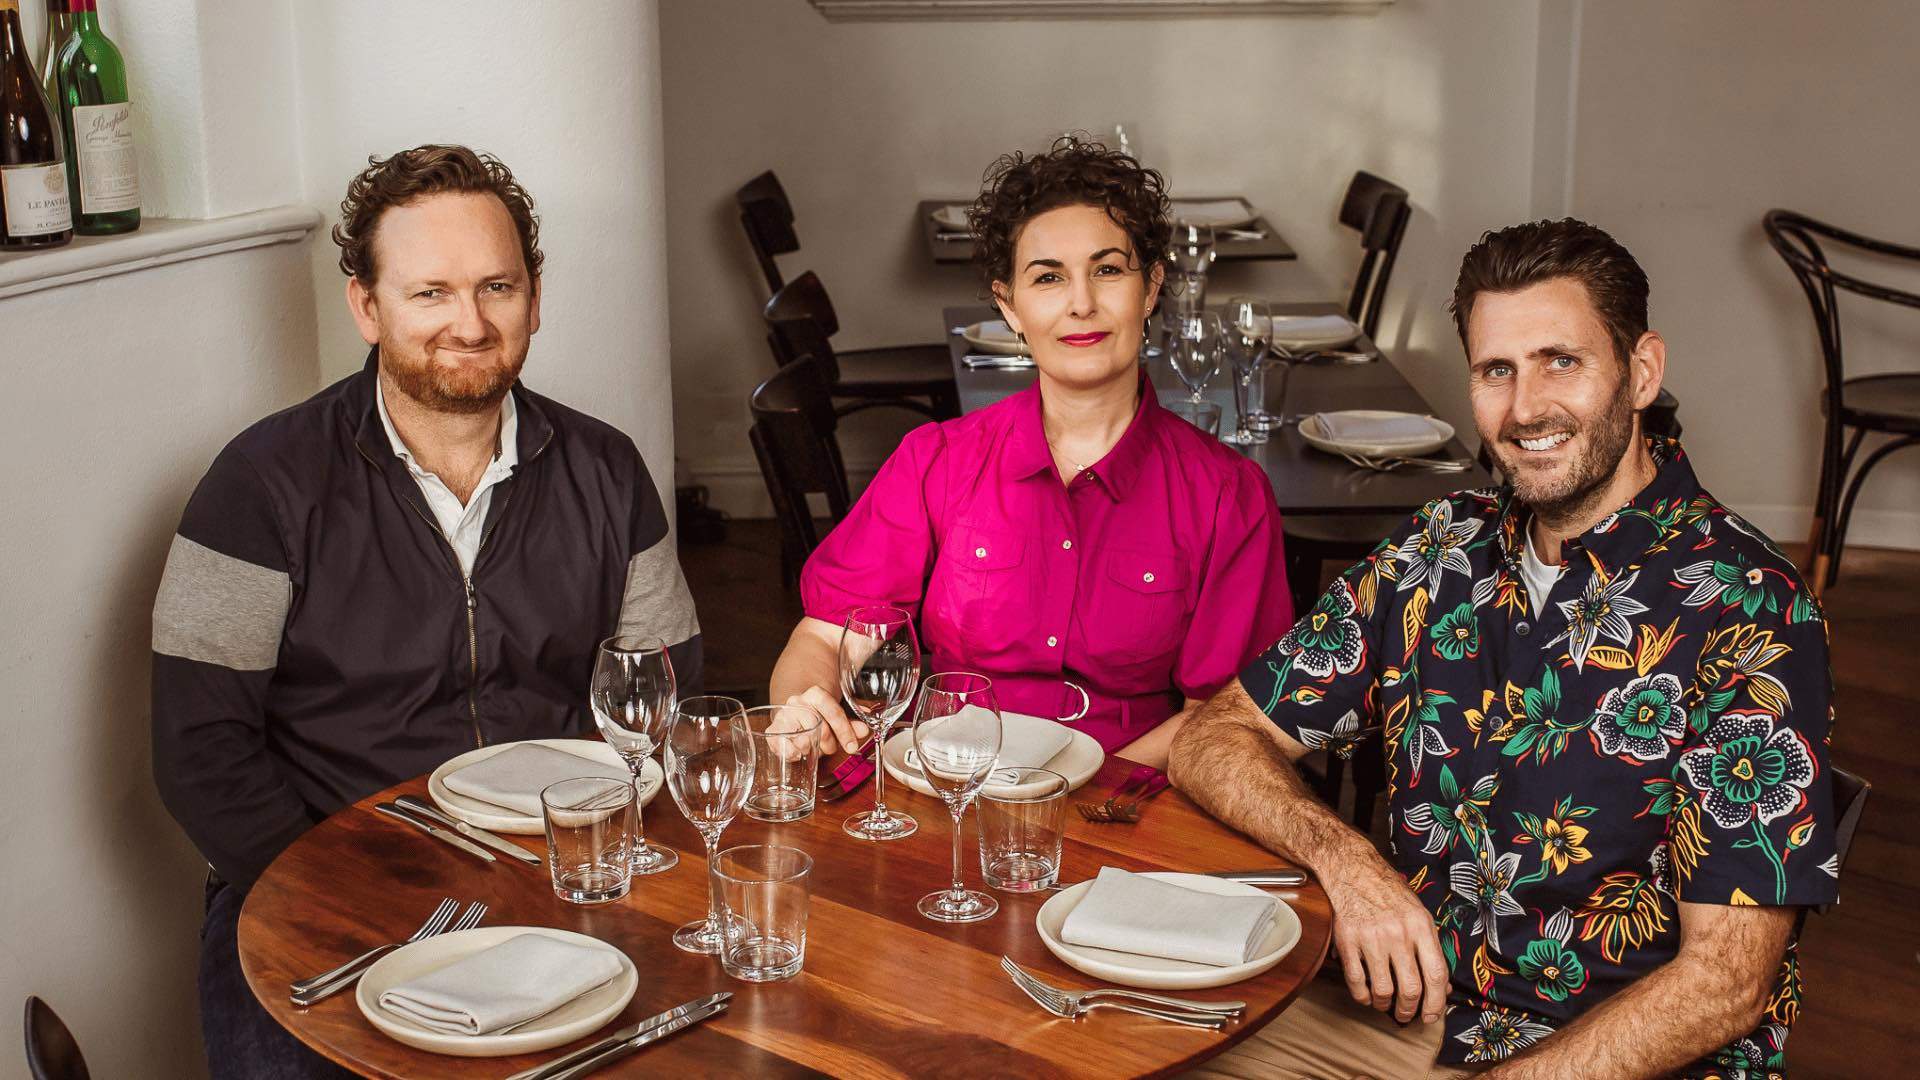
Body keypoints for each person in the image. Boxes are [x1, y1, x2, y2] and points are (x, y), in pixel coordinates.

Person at [1172, 219, 1836, 1079]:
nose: (1525, 409)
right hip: (1405, 1020)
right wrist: (1351, 864)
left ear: (1640, 373)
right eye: (1496, 371)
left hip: (1615, 1059)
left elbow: (1725, 985)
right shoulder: (1438, 550)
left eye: (1562, 360)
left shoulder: (1750, 610)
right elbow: (1214, 737)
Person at [150, 145, 700, 1078]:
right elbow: (200, 751)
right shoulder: (259, 484)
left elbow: (666, 693)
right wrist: (353, 893)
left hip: (559, 881)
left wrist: (583, 874)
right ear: (366, 306)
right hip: (314, 882)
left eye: (498, 287)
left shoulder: (608, 470)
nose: (471, 324)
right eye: (430, 293)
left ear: (535, 295)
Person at [770, 138, 1292, 767]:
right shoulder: (936, 461)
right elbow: (827, 634)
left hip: (1132, 808)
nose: (1080, 303)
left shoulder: (1227, 494)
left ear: (1151, 288)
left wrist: (1078, 795)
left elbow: (1224, 714)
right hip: (950, 786)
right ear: (1008, 305)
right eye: (1048, 277)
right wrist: (806, 703)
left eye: (1108, 270)